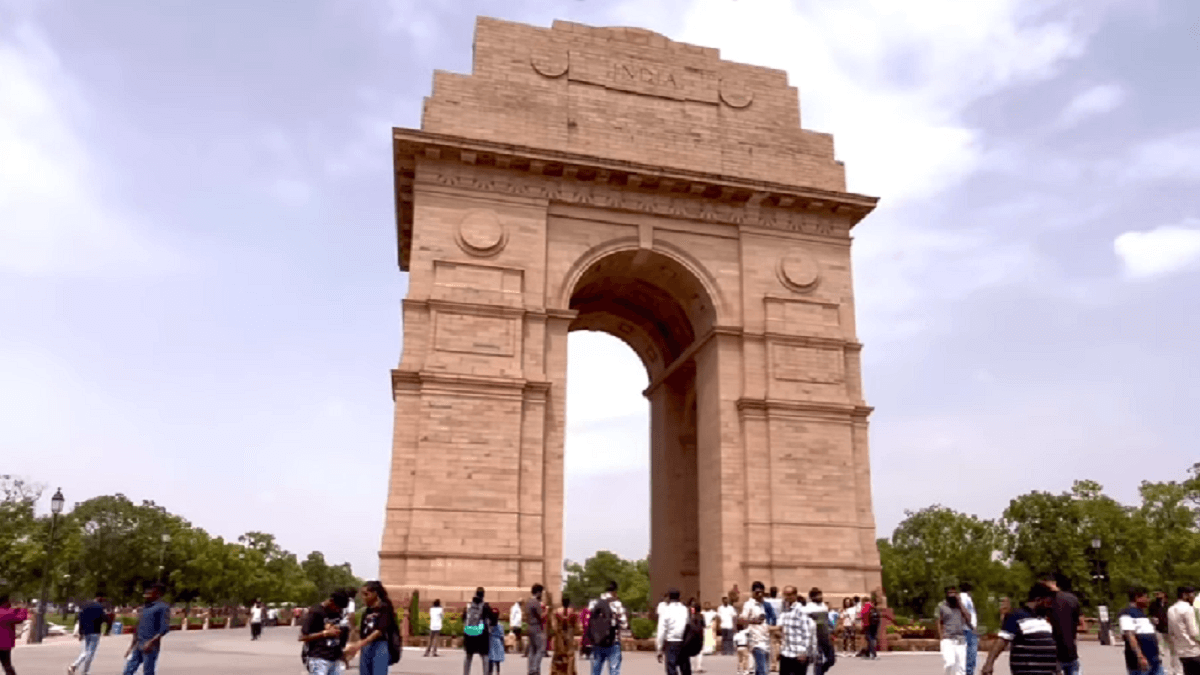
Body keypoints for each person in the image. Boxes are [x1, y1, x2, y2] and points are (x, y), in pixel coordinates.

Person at [979, 583, 1057, 675]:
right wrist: (989, 664)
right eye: (1048, 602)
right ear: (1038, 600)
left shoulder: (1044, 618)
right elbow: (1002, 641)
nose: (1051, 605)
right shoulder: (1015, 616)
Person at [345, 581, 399, 675]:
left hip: (379, 646)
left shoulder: (384, 608)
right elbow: (363, 631)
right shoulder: (367, 611)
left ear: (375, 594)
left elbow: (379, 631)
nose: (363, 597)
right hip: (366, 647)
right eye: (362, 594)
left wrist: (360, 644)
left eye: (366, 594)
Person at [1037, 575, 1083, 675]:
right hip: (1071, 651)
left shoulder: (1043, 603)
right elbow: (1082, 624)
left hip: (1051, 653)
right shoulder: (1072, 599)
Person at [122, 583, 170, 675]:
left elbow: (164, 629)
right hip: (138, 644)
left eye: (151, 591)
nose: (147, 593)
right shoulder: (144, 607)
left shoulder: (162, 607)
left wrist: (151, 642)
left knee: (148, 671)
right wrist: (131, 646)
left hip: (150, 646)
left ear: (158, 593)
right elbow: (138, 626)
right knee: (128, 670)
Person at [301, 589, 351, 675]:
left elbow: (343, 635)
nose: (338, 611)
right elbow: (302, 637)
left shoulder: (338, 613)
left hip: (335, 658)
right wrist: (324, 633)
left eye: (340, 609)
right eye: (337, 607)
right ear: (331, 601)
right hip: (318, 657)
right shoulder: (315, 612)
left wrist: (343, 657)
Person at [1121, 587, 1163, 675]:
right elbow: (1130, 636)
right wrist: (1140, 657)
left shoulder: (1142, 614)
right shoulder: (1127, 614)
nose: (1148, 600)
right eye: (1146, 597)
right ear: (1137, 598)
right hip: (1140, 663)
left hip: (1154, 660)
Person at [589, 581, 628, 675]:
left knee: (596, 670)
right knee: (614, 670)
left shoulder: (594, 603)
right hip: (613, 641)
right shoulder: (617, 604)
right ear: (615, 591)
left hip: (598, 641)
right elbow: (624, 625)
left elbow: (590, 621)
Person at [776, 586, 817, 675]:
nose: (787, 597)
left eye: (790, 594)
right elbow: (783, 632)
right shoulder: (784, 611)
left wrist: (804, 652)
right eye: (785, 594)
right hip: (786, 653)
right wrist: (780, 650)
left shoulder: (801, 610)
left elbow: (806, 633)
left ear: (795, 595)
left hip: (798, 654)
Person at [69, 593, 110, 675]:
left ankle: (74, 665)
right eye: (103, 598)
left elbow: (80, 619)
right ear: (99, 597)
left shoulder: (85, 606)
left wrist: (80, 632)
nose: (103, 600)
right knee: (90, 652)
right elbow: (105, 618)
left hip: (86, 631)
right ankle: (84, 671)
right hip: (95, 631)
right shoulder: (99, 607)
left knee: (86, 651)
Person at [938, 586, 971, 675]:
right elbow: (939, 622)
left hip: (960, 639)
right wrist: (941, 637)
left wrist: (960, 603)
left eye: (954, 593)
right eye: (950, 593)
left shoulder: (960, 607)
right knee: (950, 663)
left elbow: (968, 618)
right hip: (948, 638)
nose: (952, 595)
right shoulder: (943, 607)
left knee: (962, 668)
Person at [657, 589, 690, 675]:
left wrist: (659, 648)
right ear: (679, 597)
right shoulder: (684, 609)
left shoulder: (666, 610)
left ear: (668, 597)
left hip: (671, 643)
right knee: (685, 669)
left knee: (671, 669)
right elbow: (688, 625)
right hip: (683, 642)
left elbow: (661, 630)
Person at [1168, 587, 1200, 675]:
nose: (1193, 597)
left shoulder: (1170, 609)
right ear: (1185, 595)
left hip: (1181, 651)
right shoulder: (1188, 609)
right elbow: (1194, 633)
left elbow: (1171, 632)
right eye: (1192, 594)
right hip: (1193, 650)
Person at [741, 582, 770, 675]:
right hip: (755, 641)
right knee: (762, 671)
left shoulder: (767, 604)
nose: (760, 595)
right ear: (753, 592)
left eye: (762, 592)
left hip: (767, 640)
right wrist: (754, 621)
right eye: (757, 592)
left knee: (761, 669)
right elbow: (741, 620)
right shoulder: (748, 605)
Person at [465, 588, 494, 675]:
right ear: (483, 595)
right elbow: (493, 618)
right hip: (481, 633)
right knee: (484, 656)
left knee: (468, 656)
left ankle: (465, 673)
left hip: (469, 633)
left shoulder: (469, 605)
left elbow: (464, 617)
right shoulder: (485, 606)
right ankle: (485, 673)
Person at [806, 589, 834, 675]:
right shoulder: (808, 608)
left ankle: (821, 671)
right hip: (815, 637)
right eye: (818, 595)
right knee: (818, 660)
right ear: (812, 597)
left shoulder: (824, 606)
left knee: (831, 659)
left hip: (825, 636)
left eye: (821, 595)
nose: (820, 597)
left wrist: (831, 630)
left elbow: (826, 620)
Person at [549, 595, 579, 675]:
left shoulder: (556, 612)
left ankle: (557, 672)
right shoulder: (573, 612)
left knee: (558, 656)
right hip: (570, 636)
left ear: (562, 602)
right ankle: (569, 672)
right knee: (570, 656)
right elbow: (577, 627)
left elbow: (554, 626)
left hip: (559, 637)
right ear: (569, 602)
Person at [0, 594, 29, 675]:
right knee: (7, 665)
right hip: (3, 644)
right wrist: (23, 608)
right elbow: (20, 618)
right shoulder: (7, 613)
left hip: (3, 644)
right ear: (4, 603)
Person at [526, 584, 546, 675]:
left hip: (529, 626)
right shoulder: (536, 602)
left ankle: (530, 668)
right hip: (536, 626)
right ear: (538, 592)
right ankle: (535, 668)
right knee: (540, 649)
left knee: (531, 649)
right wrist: (547, 611)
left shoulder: (528, 602)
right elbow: (541, 616)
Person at [960, 583, 979, 675]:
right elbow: (963, 612)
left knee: (970, 651)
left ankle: (968, 670)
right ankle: (968, 671)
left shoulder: (966, 598)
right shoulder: (964, 598)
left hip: (968, 628)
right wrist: (971, 626)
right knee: (971, 651)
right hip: (968, 628)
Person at [863, 593, 881, 660]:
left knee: (870, 639)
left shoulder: (865, 606)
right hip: (874, 624)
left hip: (867, 625)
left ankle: (873, 654)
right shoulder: (873, 606)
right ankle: (867, 653)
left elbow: (863, 616)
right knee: (872, 639)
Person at [489, 607, 507, 675]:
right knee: (497, 661)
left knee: (490, 660)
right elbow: (502, 636)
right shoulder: (500, 625)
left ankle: (490, 672)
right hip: (498, 643)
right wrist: (503, 645)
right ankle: (498, 673)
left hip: (490, 642)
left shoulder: (489, 625)